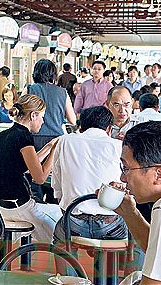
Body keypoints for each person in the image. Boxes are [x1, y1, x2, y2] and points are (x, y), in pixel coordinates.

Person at [52, 106, 128, 249]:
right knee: (129, 235)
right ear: (109, 129)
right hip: (110, 223)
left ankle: (65, 272)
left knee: (60, 239)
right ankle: (106, 269)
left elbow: (57, 187)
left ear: (81, 127)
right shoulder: (119, 146)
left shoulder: (65, 141)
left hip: (73, 221)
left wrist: (68, 210)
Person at [0, 94, 62, 241]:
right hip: (18, 208)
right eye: (42, 116)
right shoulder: (24, 137)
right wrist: (55, 151)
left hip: (0, 205)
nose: (43, 121)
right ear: (33, 115)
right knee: (61, 224)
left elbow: (25, 167)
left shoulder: (6, 134)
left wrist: (49, 146)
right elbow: (40, 178)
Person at [114, 122, 161, 284]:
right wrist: (129, 213)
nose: (122, 178)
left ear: (159, 175)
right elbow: (159, 254)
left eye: (126, 168)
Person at [26, 59, 76, 151]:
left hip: (33, 138)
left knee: (33, 165)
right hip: (56, 139)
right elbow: (73, 120)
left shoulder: (29, 89)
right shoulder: (62, 92)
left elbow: (18, 114)